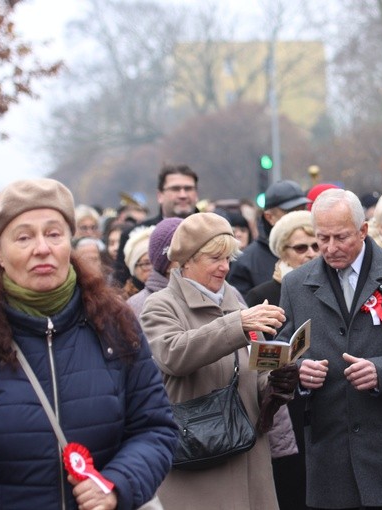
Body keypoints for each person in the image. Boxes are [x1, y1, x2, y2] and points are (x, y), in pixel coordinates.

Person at [0, 178, 177, 509]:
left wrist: (115, 485)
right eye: (24, 237)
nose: (42, 248)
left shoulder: (115, 323)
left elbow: (154, 428)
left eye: (54, 234)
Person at [277, 188, 382, 509]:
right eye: (322, 239)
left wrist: (381, 371)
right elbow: (283, 357)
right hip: (330, 457)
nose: (330, 248)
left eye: (341, 237)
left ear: (363, 230)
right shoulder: (295, 285)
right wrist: (300, 372)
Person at [139, 212, 297, 510]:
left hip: (249, 454)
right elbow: (174, 355)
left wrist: (275, 381)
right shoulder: (160, 305)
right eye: (215, 258)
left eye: (228, 258)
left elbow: (251, 369)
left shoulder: (234, 300)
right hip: (198, 461)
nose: (225, 267)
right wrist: (237, 324)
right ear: (186, 260)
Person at [246, 210, 319, 510]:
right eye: (300, 248)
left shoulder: (328, 285)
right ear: (282, 252)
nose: (310, 254)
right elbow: (255, 355)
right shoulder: (263, 294)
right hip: (285, 407)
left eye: (315, 245)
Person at [114, 164, 200, 285]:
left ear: (196, 194)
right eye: (175, 189)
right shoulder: (134, 235)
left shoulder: (214, 230)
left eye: (188, 188)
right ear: (160, 196)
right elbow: (120, 284)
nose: (183, 195)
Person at [227, 180, 310, 295]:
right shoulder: (246, 262)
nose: (298, 217)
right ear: (269, 217)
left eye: (302, 210)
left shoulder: (318, 249)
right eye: (291, 212)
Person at [127, 217, 182, 317]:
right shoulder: (139, 306)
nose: (192, 259)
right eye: (182, 252)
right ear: (168, 264)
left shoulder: (204, 295)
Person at [122, 225, 155, 299]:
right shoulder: (124, 302)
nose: (153, 269)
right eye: (146, 264)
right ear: (133, 268)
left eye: (156, 262)